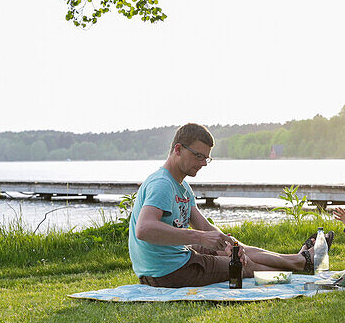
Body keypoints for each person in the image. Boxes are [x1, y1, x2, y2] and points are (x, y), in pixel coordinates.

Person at [129, 123, 315, 288]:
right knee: (241, 265)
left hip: (174, 259)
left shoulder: (181, 185)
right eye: (198, 156)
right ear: (178, 149)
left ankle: (299, 260)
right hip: (166, 272)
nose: (203, 163)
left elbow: (203, 226)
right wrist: (201, 238)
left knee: (236, 251)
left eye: (206, 158)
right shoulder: (162, 184)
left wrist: (229, 243)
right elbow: (144, 229)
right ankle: (299, 264)